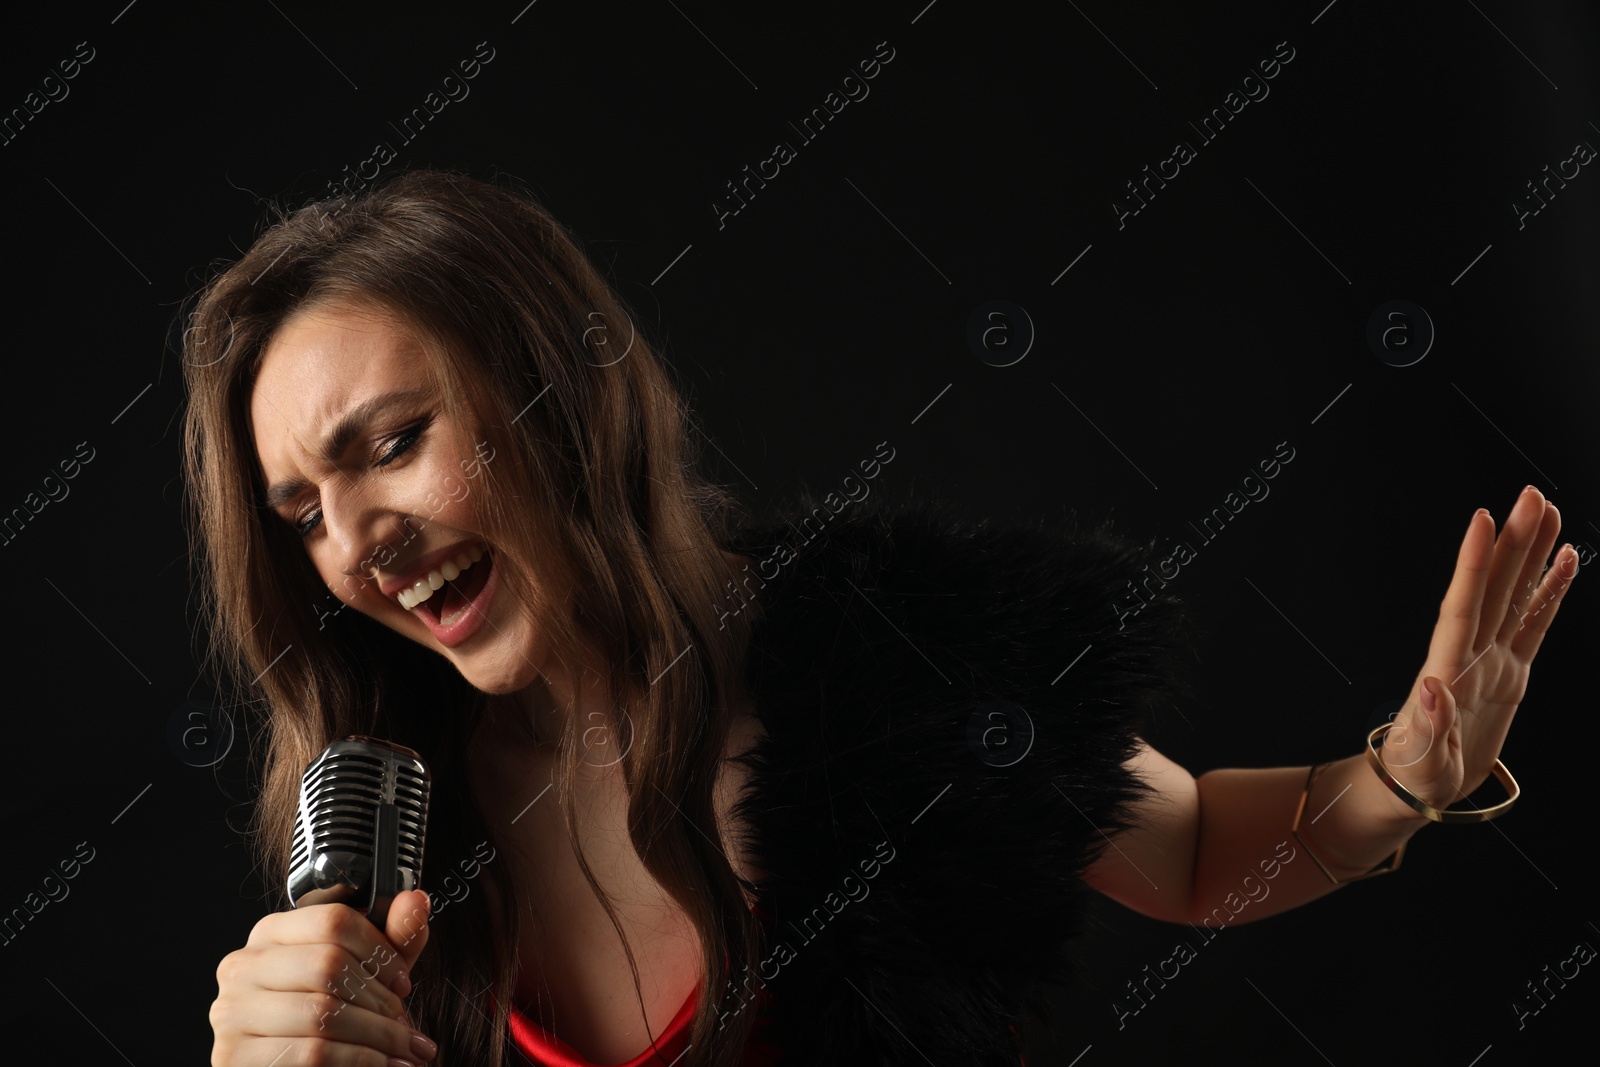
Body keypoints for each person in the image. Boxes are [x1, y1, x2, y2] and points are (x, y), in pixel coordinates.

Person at [193, 169, 1579, 1067]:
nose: (359, 545)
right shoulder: (393, 822)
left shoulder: (891, 653)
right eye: (302, 513)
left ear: (556, 392)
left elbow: (1204, 850)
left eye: (388, 444)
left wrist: (1404, 780)